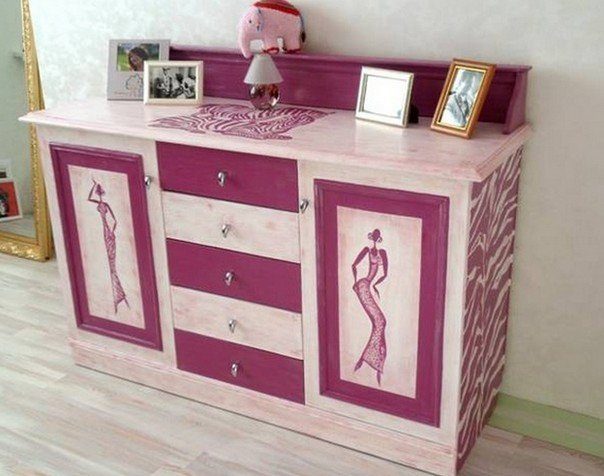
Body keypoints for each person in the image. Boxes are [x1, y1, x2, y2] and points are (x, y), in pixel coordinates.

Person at [351, 228, 389, 385]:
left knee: (380, 323)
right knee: (380, 322)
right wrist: (357, 283)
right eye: (374, 236)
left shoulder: (382, 253)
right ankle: (367, 360)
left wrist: (375, 286)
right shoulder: (367, 250)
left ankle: (376, 363)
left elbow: (385, 274)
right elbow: (353, 265)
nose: (374, 239)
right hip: (363, 285)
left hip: (365, 286)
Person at [87, 179, 129, 314]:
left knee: (112, 262)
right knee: (110, 263)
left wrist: (112, 231)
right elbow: (89, 198)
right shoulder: (100, 203)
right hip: (105, 232)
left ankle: (118, 294)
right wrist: (93, 185)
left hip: (109, 232)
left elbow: (114, 220)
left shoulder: (105, 204)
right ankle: (118, 293)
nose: (99, 194)